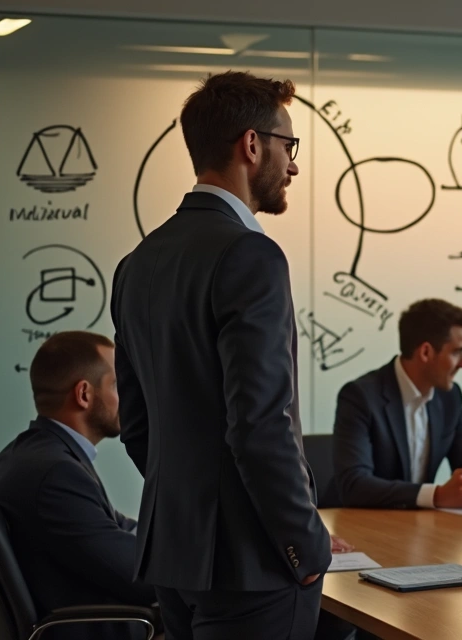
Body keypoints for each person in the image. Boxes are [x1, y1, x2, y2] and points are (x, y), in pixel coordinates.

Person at [111, 71, 330, 639]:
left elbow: (139, 427)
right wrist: (303, 544)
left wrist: (193, 507)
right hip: (251, 564)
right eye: (289, 146)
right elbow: (260, 425)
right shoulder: (251, 255)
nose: (295, 165)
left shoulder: (137, 263)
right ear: (251, 145)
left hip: (174, 555)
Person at [0, 332, 156, 640]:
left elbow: (117, 528)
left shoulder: (34, 455)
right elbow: (139, 578)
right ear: (84, 395)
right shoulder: (54, 474)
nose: (127, 396)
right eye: (116, 385)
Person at [334, 298, 462, 509]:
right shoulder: (360, 396)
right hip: (359, 527)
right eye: (456, 352)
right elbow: (354, 485)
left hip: (419, 527)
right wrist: (437, 495)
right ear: (426, 352)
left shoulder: (450, 398)